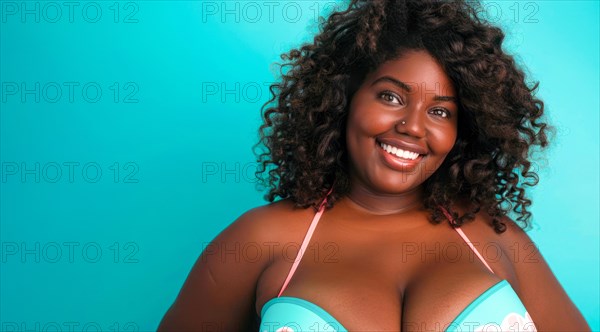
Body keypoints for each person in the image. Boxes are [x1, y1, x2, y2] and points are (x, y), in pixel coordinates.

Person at [158, 0, 591, 331]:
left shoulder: (493, 237)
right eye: (391, 97)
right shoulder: (260, 240)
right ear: (343, 98)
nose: (412, 127)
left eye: (441, 111)